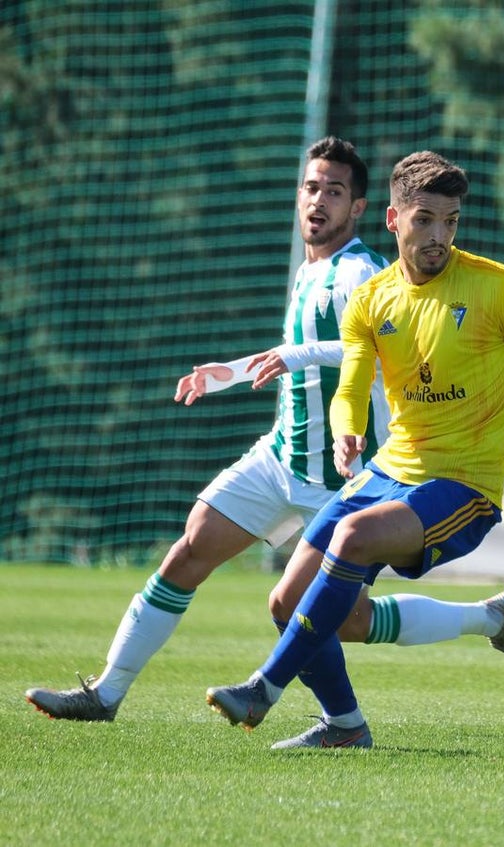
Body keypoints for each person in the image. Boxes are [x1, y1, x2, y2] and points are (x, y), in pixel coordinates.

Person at [203, 150, 504, 751]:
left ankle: (264, 688)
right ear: (393, 218)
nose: (439, 237)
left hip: (463, 487)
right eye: (425, 219)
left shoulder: (498, 288)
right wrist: (347, 427)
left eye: (450, 221)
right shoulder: (372, 299)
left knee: (348, 544)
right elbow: (351, 383)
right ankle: (345, 725)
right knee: (288, 600)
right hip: (386, 471)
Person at [23, 136, 402, 722]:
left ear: (357, 207)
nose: (318, 200)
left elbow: (380, 352)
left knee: (343, 618)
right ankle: (106, 693)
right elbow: (291, 353)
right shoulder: (309, 271)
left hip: (343, 475)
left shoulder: (361, 272)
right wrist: (228, 374)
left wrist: (296, 358)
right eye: (311, 187)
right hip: (282, 455)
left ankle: (486, 617)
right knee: (192, 544)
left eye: (334, 190)